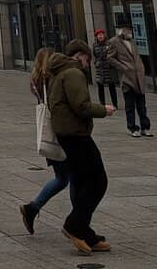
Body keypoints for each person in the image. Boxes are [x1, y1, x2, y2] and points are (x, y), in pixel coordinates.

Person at [46, 40, 116, 255]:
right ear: (79, 55)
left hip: (67, 134)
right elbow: (81, 106)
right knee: (98, 182)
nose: (88, 63)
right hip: (76, 135)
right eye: (87, 58)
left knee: (85, 182)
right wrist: (103, 109)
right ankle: (74, 225)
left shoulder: (59, 71)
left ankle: (85, 232)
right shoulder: (73, 73)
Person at [19, 47, 72, 236]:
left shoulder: (35, 81)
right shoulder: (52, 80)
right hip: (60, 134)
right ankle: (76, 222)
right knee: (71, 177)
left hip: (49, 137)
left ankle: (32, 208)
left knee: (62, 178)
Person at [108, 24, 152, 137]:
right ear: (122, 30)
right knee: (130, 105)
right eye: (127, 29)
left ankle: (145, 127)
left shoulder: (132, 41)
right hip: (127, 78)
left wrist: (141, 66)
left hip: (138, 76)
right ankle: (132, 127)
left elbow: (137, 56)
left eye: (130, 29)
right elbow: (110, 58)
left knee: (142, 105)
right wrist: (123, 67)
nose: (129, 31)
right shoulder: (114, 42)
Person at [92, 28, 119, 109]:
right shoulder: (95, 45)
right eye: (98, 35)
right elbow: (94, 56)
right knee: (100, 86)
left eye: (101, 34)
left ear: (104, 35)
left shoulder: (109, 44)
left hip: (108, 68)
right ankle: (102, 104)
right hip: (100, 68)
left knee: (111, 86)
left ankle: (115, 104)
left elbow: (113, 54)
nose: (100, 36)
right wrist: (96, 63)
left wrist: (111, 63)